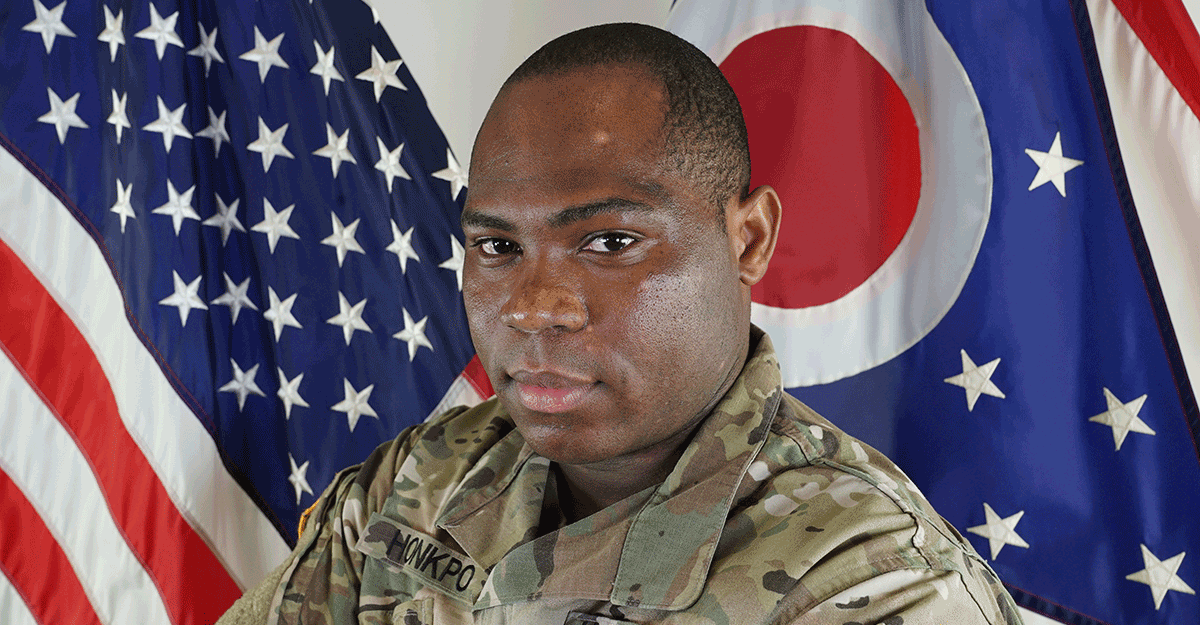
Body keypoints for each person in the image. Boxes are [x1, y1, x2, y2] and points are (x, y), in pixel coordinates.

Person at [219, 22, 1023, 625]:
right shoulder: (417, 486)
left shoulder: (876, 583)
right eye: (497, 245)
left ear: (748, 241)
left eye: (609, 241)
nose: (535, 304)